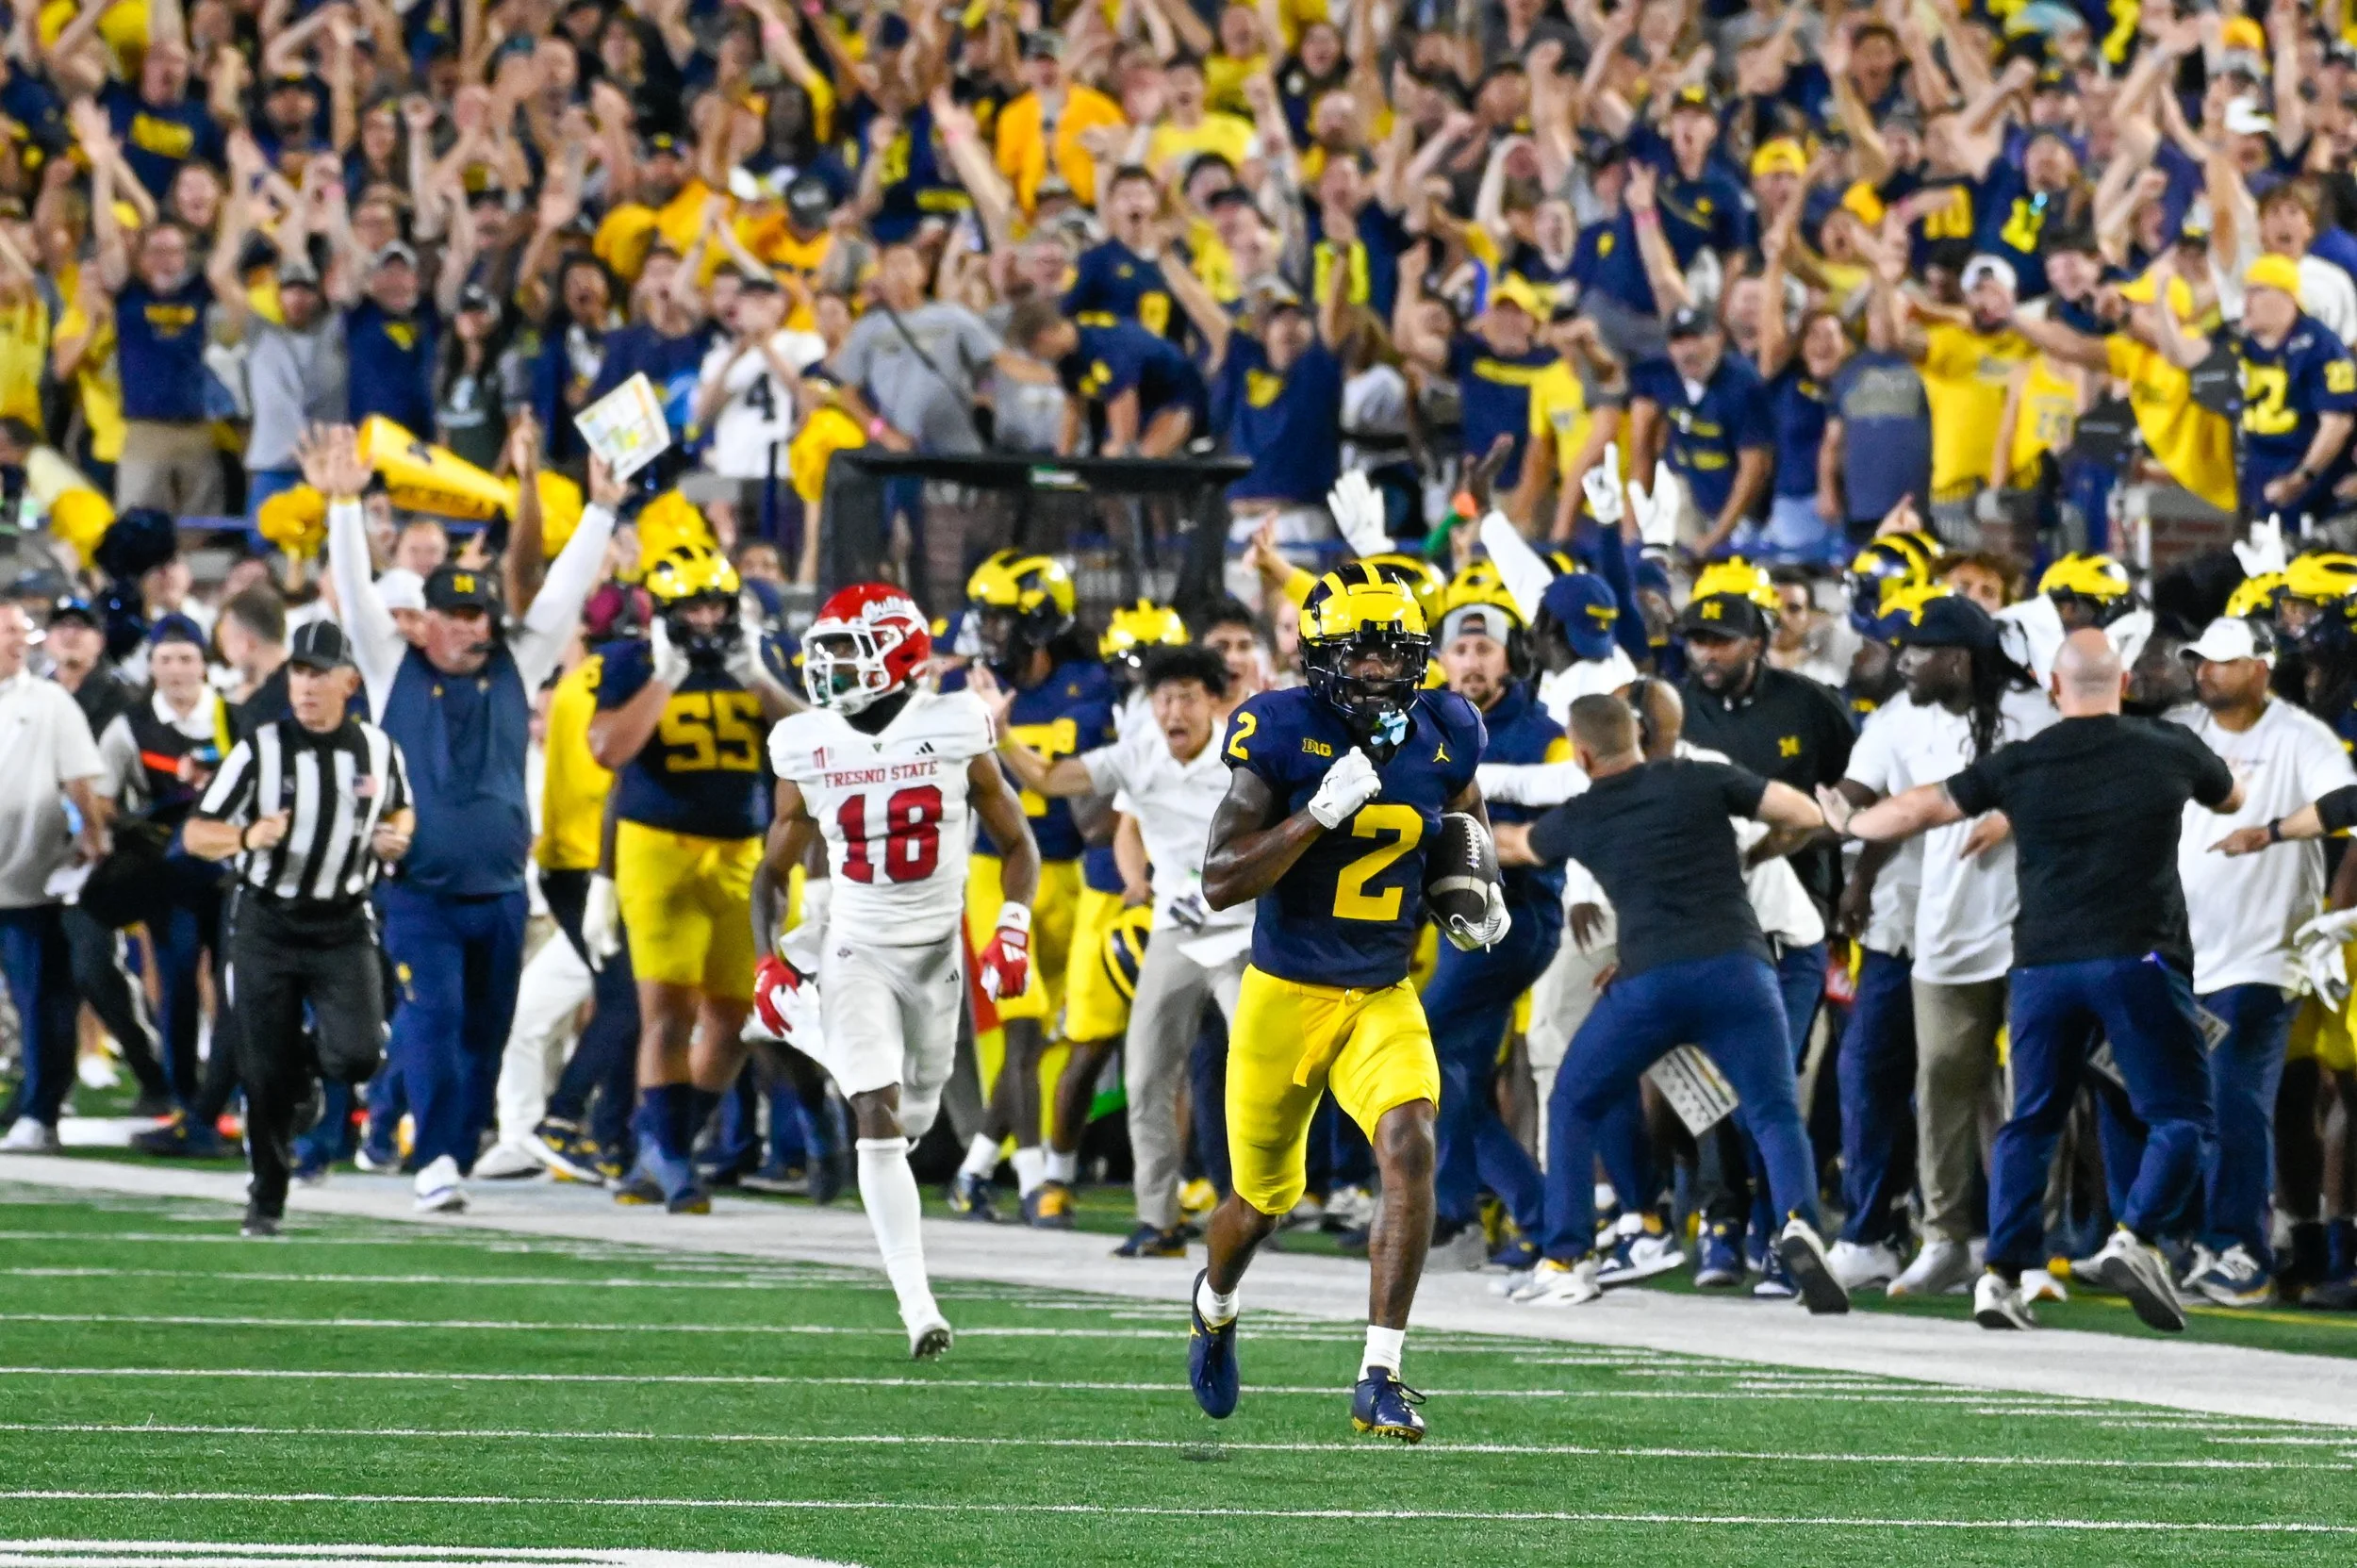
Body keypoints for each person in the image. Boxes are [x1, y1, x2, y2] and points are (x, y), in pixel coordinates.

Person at [1822, 630, 2242, 1333]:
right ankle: (2134, 1237)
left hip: (2041, 964)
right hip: (2138, 956)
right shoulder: (2168, 746)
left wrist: (1850, 820)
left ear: (2054, 686)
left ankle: (2001, 1274)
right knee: (2183, 1114)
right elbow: (2231, 799)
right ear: (2124, 681)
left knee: (2032, 1118)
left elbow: (1924, 804)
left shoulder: (2022, 760)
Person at [1190, 563, 1503, 1444]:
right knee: (1257, 1205)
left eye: (1393, 652)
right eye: (1358, 653)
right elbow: (1219, 880)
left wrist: (1477, 882)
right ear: (1319, 655)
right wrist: (1313, 818)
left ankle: (1381, 1374)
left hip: (1380, 990)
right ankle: (1215, 1305)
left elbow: (1461, 820)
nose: (1376, 669)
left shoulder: (1448, 726)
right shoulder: (1280, 727)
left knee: (1410, 1139)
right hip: (1284, 995)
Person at [316, 421, 617, 1213]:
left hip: (502, 891)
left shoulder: (517, 662)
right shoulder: (389, 668)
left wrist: (602, 512)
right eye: (457, 615)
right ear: (425, 620)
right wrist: (345, 506)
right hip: (418, 888)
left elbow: (558, 597)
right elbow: (353, 590)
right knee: (437, 1016)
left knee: (484, 1040)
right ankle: (433, 1156)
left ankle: (447, 1152)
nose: (474, 627)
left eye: (481, 614)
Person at [1492, 692, 1848, 1314]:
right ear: (1639, 733)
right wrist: (1759, 851)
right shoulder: (1701, 774)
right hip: (1743, 969)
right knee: (1773, 1110)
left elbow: (1516, 844)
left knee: (1575, 1099)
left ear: (1580, 753)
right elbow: (1805, 812)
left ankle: (1568, 1257)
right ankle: (1800, 1225)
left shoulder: (1585, 810)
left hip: (1651, 980)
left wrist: (1439, 820)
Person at [755, 581, 1040, 1358]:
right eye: (826, 652)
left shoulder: (953, 726)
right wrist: (766, 954)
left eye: (847, 650)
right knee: (875, 1114)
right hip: (855, 946)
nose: (829, 668)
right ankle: (919, 1305)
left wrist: (1011, 928)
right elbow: (771, 867)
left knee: (914, 1114)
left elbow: (1020, 843)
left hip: (938, 953)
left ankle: (815, 1032)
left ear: (899, 652)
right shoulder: (805, 741)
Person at [981, 643, 1246, 1257]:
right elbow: (1049, 778)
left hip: (1247, 928)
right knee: (1145, 1069)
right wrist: (1002, 733)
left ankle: (1265, 1203)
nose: (1173, 709)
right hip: (1178, 926)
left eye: (1185, 695)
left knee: (1256, 1070)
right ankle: (1160, 1219)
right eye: (1163, 697)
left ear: (1212, 698)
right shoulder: (1141, 751)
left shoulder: (1246, 749)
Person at [1832, 586, 2052, 1299]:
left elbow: (2076, 788)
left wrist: (2015, 817)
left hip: (2030, 930)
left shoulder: (2034, 713)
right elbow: (1859, 800)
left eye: (1921, 650)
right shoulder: (1898, 719)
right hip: (1942, 931)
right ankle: (1946, 1238)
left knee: (2032, 1094)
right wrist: (1852, 871)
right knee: (1942, 1088)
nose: (1905, 661)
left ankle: (2028, 1248)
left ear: (1958, 659)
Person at [181, 621, 411, 1236]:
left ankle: (304, 1069)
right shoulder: (260, 749)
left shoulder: (378, 750)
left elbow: (400, 804)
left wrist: (398, 834)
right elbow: (196, 833)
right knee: (260, 1069)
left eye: (319, 673)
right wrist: (246, 836)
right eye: (298, 672)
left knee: (361, 1051)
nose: (306, 685)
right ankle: (267, 1196)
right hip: (267, 920)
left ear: (350, 682)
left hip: (343, 921)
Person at [587, 541, 797, 1211]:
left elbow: (817, 747)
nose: (707, 619)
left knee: (737, 1020)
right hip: (658, 845)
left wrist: (763, 682)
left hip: (743, 850)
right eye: (694, 606)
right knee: (668, 1011)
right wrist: (666, 680)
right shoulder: (632, 661)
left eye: (717, 604)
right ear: (663, 609)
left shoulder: (764, 657)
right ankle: (672, 1156)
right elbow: (608, 750)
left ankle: (665, 1143)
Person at [2170, 619, 2355, 1306]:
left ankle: (2239, 1249)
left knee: (2235, 1096)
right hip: (2189, 953)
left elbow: (2346, 806)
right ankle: (2181, 1236)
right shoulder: (2191, 732)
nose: (2205, 672)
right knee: (2176, 1096)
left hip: (2265, 955)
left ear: (2260, 666)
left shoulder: (2300, 737)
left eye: (2222, 662)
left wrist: (2272, 833)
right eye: (2200, 662)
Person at [946, 550, 1115, 1224]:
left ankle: (975, 1168)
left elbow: (1094, 793)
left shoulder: (1090, 686)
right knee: (1019, 1028)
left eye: (1000, 618)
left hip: (1072, 873)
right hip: (999, 872)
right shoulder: (966, 682)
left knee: (1053, 1036)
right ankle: (1034, 1180)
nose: (986, 632)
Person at [0, 599, 109, 1152]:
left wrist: (92, 837)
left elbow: (81, 781)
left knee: (40, 995)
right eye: (6, 631)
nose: (16, 641)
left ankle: (41, 1111)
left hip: (29, 879)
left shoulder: (50, 703)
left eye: (21, 631)